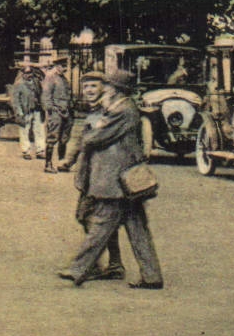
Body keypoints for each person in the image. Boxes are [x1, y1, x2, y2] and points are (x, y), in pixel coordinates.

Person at [59, 70, 164, 289]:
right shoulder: (120, 108)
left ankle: (79, 268)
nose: (103, 89)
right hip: (125, 181)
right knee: (138, 229)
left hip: (116, 181)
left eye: (106, 86)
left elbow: (94, 138)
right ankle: (152, 276)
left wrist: (92, 133)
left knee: (101, 226)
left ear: (115, 89)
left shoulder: (123, 110)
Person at [65, 70, 125, 281]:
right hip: (91, 174)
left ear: (105, 88)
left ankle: (94, 265)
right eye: (86, 86)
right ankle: (114, 264)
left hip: (103, 175)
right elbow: (82, 139)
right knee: (98, 219)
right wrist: (69, 160)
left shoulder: (109, 111)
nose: (89, 90)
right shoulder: (93, 111)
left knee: (89, 216)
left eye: (94, 86)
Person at [41, 58, 73, 173]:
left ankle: (61, 163)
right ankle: (48, 164)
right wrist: (51, 109)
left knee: (64, 138)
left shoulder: (63, 78)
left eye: (66, 65)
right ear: (57, 65)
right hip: (56, 112)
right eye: (63, 65)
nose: (65, 68)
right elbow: (46, 95)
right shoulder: (50, 77)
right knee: (52, 137)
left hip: (67, 111)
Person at [11, 62, 45, 162]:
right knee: (24, 131)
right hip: (25, 112)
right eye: (26, 73)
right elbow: (16, 101)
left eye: (30, 73)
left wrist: (42, 106)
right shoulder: (19, 84)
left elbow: (41, 94)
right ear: (22, 74)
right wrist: (20, 113)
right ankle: (26, 151)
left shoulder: (36, 83)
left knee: (39, 131)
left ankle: (40, 151)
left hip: (37, 110)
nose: (29, 75)